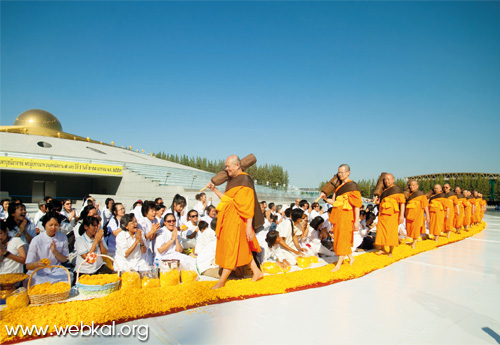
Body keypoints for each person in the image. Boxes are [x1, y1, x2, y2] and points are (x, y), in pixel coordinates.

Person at [206, 155, 263, 289]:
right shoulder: (232, 181)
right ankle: (257, 272)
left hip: (238, 221)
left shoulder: (245, 179)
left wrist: (249, 227)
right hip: (228, 220)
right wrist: (214, 190)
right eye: (225, 167)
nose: (226, 169)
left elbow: (248, 205)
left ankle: (221, 281)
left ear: (237, 166)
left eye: (228, 166)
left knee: (231, 249)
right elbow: (227, 200)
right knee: (242, 248)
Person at [321, 164, 362, 270]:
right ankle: (351, 257)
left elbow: (357, 205)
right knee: (339, 238)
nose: (340, 174)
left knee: (343, 238)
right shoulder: (338, 188)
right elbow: (334, 202)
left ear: (348, 173)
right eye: (339, 172)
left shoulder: (352, 186)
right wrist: (325, 198)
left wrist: (357, 221)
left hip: (347, 216)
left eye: (342, 172)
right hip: (338, 216)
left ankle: (339, 264)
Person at [25, 212, 70, 286]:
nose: (53, 228)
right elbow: (28, 265)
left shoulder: (63, 237)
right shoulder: (36, 240)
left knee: (66, 280)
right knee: (40, 284)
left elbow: (64, 259)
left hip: (55, 269)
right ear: (45, 225)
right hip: (38, 271)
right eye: (50, 225)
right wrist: (36, 264)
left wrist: (54, 251)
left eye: (56, 225)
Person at [373, 173, 405, 257]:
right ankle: (383, 248)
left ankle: (390, 251)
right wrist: (376, 201)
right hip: (383, 214)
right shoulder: (384, 191)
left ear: (393, 180)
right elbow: (381, 203)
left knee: (391, 232)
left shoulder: (397, 189)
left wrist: (401, 215)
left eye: (389, 179)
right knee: (381, 231)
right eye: (385, 180)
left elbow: (402, 203)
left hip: (392, 215)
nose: (387, 181)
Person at [405, 180, 430, 249]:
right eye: (410, 185)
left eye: (413, 185)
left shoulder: (421, 194)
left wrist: (427, 215)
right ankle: (413, 240)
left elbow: (425, 205)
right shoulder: (408, 195)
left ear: (417, 186)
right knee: (409, 228)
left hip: (417, 215)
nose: (411, 187)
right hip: (409, 214)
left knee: (416, 229)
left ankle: (414, 243)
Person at [138, 200, 160, 265]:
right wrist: (151, 232)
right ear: (145, 212)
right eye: (152, 211)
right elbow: (141, 239)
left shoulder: (155, 220)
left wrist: (154, 232)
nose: (154, 213)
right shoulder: (142, 222)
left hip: (149, 251)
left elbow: (152, 238)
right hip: (142, 251)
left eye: (155, 210)